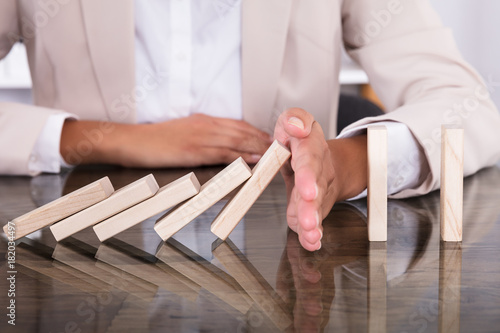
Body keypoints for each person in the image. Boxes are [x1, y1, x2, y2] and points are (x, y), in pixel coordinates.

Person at [1, 0, 499, 251]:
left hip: (280, 246)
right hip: (80, 236)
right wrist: (99, 138)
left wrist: (349, 165)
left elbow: (467, 103)